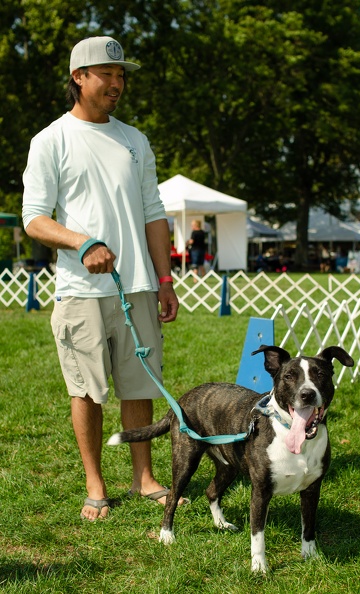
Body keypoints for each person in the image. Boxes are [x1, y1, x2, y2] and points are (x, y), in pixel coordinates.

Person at [22, 36, 183, 521]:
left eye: (121, 76)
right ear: (78, 77)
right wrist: (82, 242)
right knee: (87, 389)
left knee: (139, 386)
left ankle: (144, 478)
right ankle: (95, 484)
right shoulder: (51, 140)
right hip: (80, 290)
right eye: (106, 75)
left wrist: (164, 279)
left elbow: (154, 213)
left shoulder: (135, 139)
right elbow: (34, 218)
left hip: (137, 286)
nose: (117, 84)